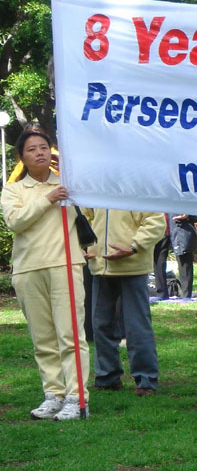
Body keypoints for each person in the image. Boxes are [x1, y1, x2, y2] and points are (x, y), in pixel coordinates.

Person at [1, 129, 90, 420]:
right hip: (27, 269)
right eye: (32, 149)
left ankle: (77, 398)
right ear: (22, 157)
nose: (39, 153)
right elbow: (15, 221)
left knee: (70, 335)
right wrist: (49, 198)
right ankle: (54, 394)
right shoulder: (13, 190)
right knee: (43, 339)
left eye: (43, 147)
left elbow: (91, 208)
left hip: (65, 265)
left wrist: (69, 181)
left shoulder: (68, 185)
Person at [83, 208, 165, 396]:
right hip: (100, 266)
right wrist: (82, 245)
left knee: (137, 326)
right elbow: (83, 218)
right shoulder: (95, 192)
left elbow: (156, 222)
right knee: (101, 325)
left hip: (133, 266)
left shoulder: (140, 191)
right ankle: (107, 377)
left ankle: (146, 380)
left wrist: (134, 247)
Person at [169, 214, 197, 298]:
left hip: (182, 230)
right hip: (169, 228)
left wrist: (186, 215)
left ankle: (186, 295)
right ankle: (162, 293)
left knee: (184, 261)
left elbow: (194, 215)